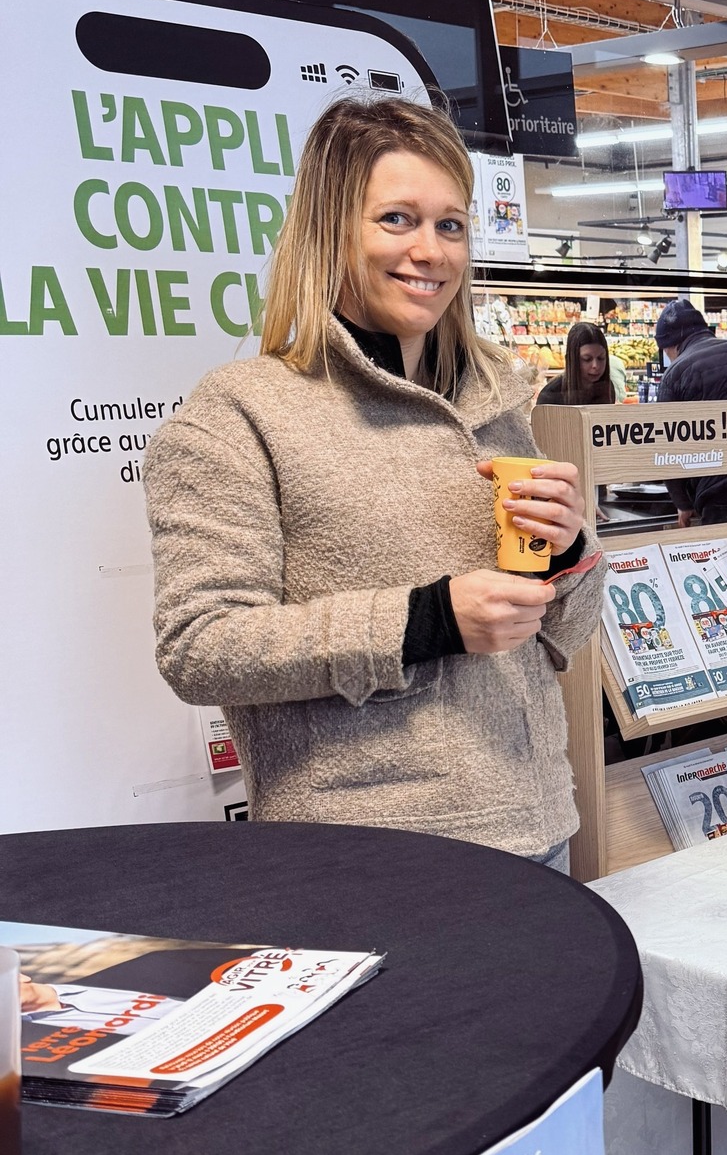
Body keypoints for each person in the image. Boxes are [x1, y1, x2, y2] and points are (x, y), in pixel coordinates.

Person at [143, 95, 604, 871]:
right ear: (330, 229)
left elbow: (563, 635)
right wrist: (426, 620)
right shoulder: (240, 412)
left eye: (450, 225)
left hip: (539, 823)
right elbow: (199, 647)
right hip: (366, 856)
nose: (430, 251)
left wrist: (567, 555)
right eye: (397, 219)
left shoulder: (496, 404)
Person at [652, 297, 727, 525]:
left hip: (717, 494)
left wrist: (682, 504)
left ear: (670, 344)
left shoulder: (676, 373)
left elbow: (666, 446)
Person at [537, 319, 618, 409]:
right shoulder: (550, 396)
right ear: (572, 359)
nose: (596, 365)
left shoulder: (607, 389)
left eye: (601, 358)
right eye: (587, 359)